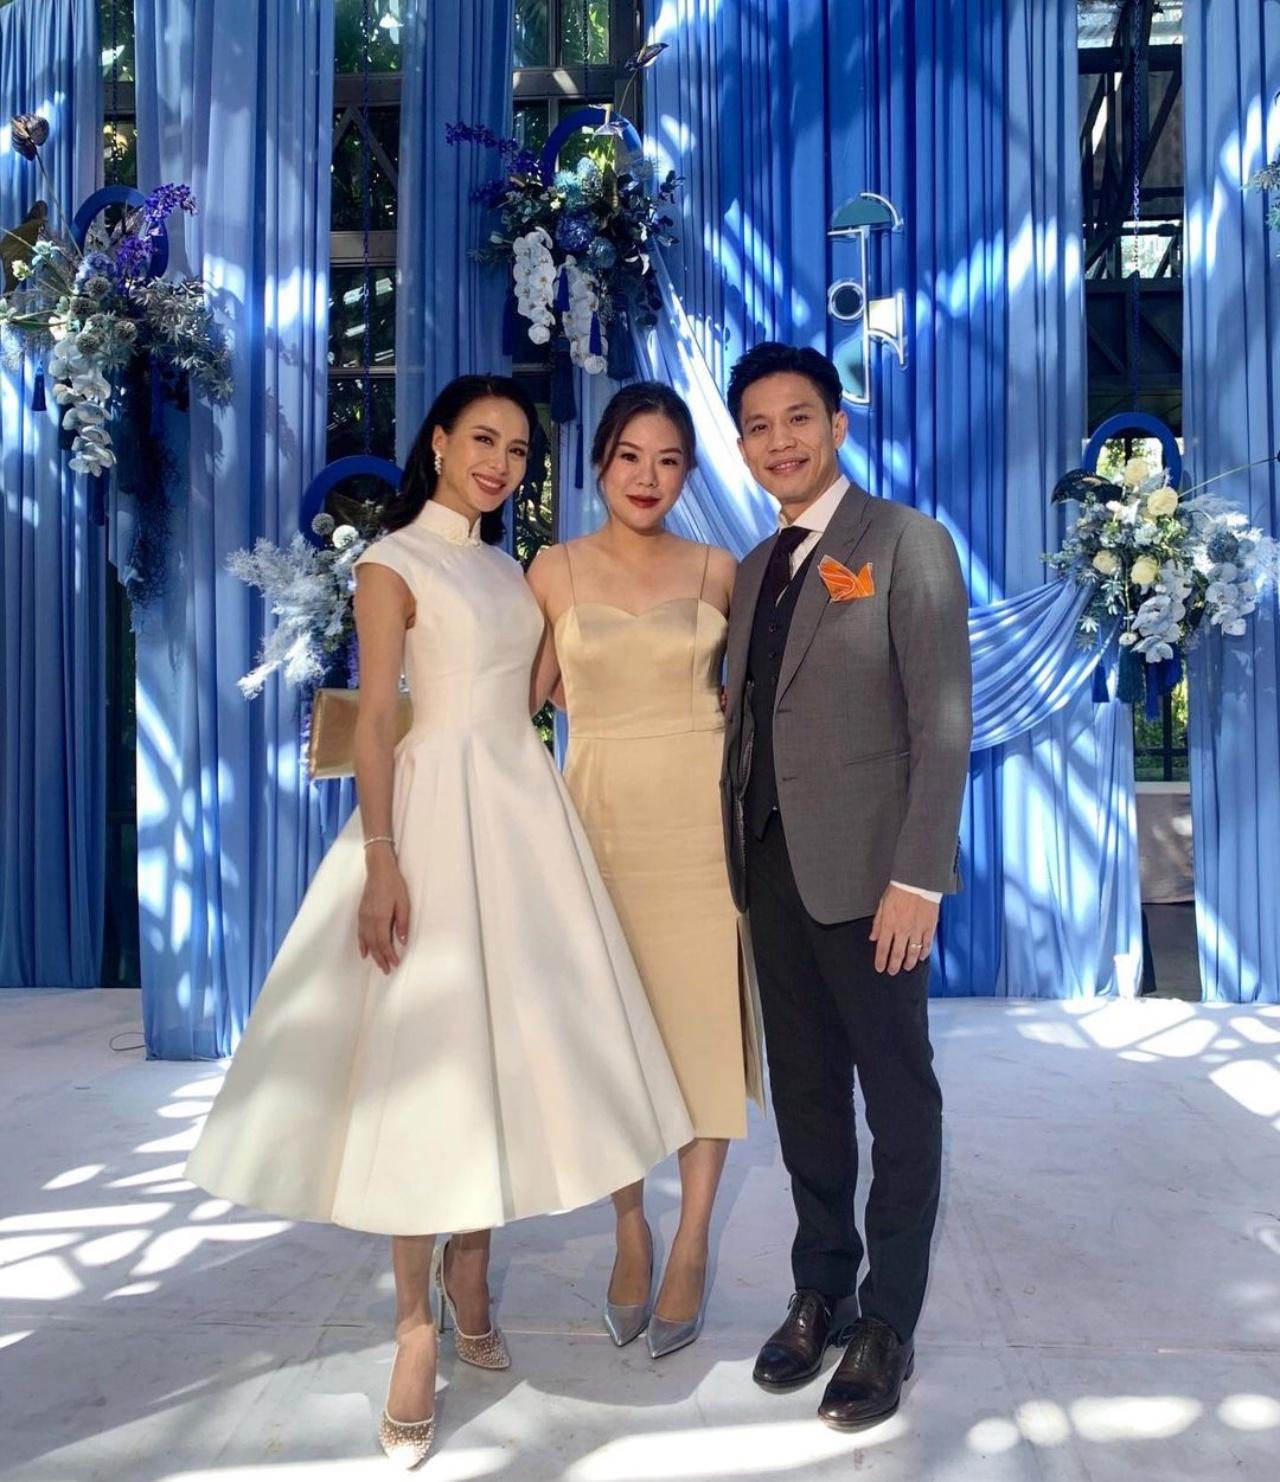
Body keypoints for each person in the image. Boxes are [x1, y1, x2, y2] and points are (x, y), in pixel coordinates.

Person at [185, 374, 692, 1470]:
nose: (500, 464)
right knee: (424, 1060)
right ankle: (415, 1327)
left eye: (516, 450)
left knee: (497, 1057)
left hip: (522, 818)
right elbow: (379, 721)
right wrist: (381, 857)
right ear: (439, 443)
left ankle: (474, 1273)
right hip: (430, 817)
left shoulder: (511, 568)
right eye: (482, 441)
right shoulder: (393, 560)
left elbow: (544, 691)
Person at [720, 343, 972, 1430]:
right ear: (742, 446)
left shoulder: (906, 542)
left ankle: (887, 1320)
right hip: (770, 870)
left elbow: (941, 721)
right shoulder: (751, 568)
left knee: (897, 1097)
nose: (779, 440)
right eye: (758, 426)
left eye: (798, 418)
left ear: (836, 425)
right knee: (807, 1093)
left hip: (874, 877)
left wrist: (918, 877)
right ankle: (819, 1287)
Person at [526, 381, 760, 1360]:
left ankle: (692, 1239)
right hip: (599, 827)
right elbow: (513, 707)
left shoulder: (719, 570)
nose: (647, 477)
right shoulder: (552, 569)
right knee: (610, 1039)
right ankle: (631, 1227)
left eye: (668, 460)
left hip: (701, 834)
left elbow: (762, 700)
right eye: (630, 456)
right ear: (600, 464)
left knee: (703, 1034)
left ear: (689, 473)